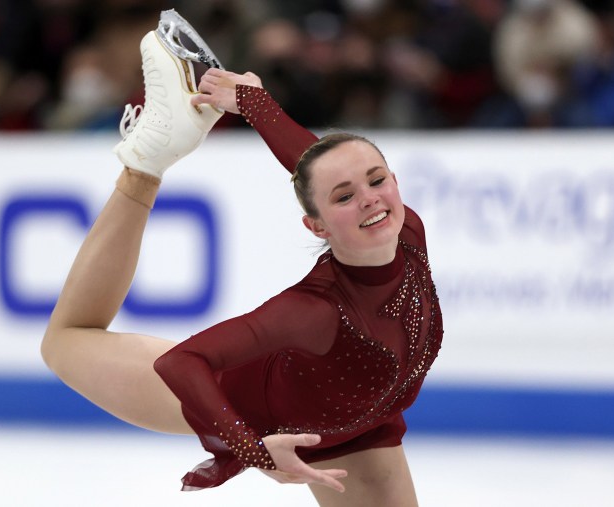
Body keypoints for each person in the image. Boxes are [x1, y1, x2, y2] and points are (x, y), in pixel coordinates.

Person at [41, 20, 443, 507]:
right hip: (235, 398)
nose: (370, 200)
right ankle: (145, 163)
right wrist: (254, 452)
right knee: (64, 342)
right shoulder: (315, 312)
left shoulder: (408, 233)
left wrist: (254, 102)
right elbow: (181, 362)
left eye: (378, 180)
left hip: (360, 425)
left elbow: (320, 166)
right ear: (316, 227)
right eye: (345, 198)